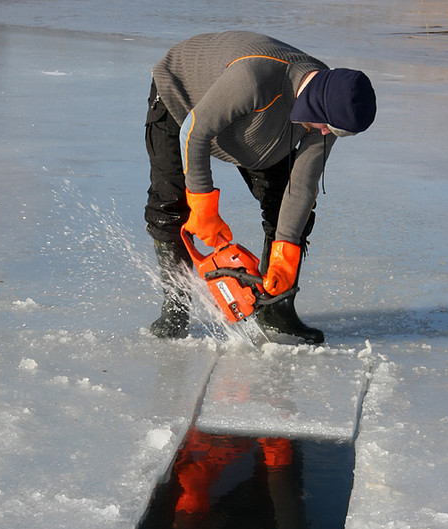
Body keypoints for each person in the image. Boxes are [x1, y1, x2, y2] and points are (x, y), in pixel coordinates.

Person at [144, 31, 376, 343]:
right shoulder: (255, 78)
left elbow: (303, 185)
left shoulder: (330, 106)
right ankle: (175, 309)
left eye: (334, 132)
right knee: (170, 206)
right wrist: (202, 205)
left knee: (289, 209)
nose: (325, 133)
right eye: (327, 126)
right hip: (184, 103)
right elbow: (194, 133)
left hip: (258, 130)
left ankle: (276, 310)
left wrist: (286, 252)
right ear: (318, 106)